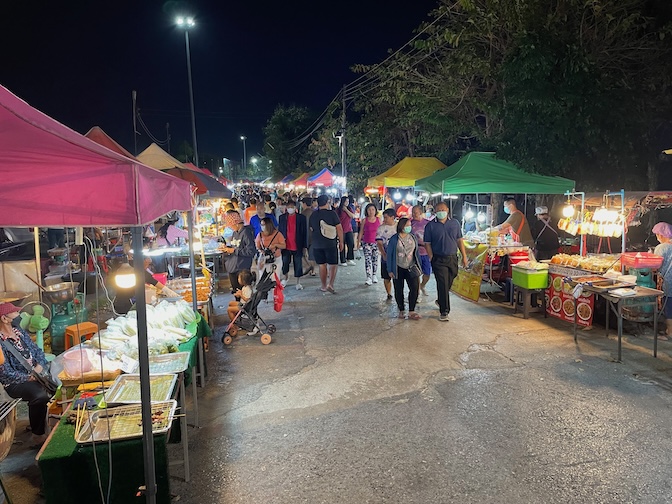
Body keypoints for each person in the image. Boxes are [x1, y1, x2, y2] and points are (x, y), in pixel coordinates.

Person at [0, 302, 51, 448]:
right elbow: (6, 374)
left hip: (35, 375)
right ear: (5, 319)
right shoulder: (1, 342)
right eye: (15, 313)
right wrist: (30, 377)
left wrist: (40, 366)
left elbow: (37, 352)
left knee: (56, 384)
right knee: (40, 395)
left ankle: (42, 422)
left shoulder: (19, 332)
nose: (19, 316)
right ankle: (38, 435)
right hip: (15, 383)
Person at [424, 202, 468, 321]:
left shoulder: (454, 223)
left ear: (447, 210)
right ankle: (444, 311)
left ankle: (440, 300)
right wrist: (431, 256)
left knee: (450, 279)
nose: (441, 212)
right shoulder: (430, 226)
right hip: (438, 258)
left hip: (452, 257)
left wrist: (464, 256)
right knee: (442, 283)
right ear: (435, 211)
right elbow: (427, 243)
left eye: (443, 209)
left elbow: (459, 240)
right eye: (438, 210)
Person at [387, 218, 422, 320]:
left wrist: (419, 266)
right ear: (401, 226)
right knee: (399, 289)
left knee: (414, 289)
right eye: (407, 225)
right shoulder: (394, 239)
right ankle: (401, 310)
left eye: (409, 225)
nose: (409, 227)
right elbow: (390, 255)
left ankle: (412, 310)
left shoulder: (412, 237)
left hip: (411, 266)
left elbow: (416, 252)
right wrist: (390, 269)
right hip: (398, 267)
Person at [309, 194, 343, 294]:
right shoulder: (332, 214)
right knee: (333, 265)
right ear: (327, 202)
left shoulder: (313, 215)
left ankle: (323, 286)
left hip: (317, 244)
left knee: (322, 265)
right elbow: (339, 228)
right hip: (330, 243)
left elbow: (311, 228)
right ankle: (330, 284)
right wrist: (341, 241)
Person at [223, 210, 256, 292]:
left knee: (243, 293)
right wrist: (227, 248)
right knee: (236, 291)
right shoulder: (235, 233)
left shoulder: (246, 233)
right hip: (233, 267)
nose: (231, 228)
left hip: (241, 268)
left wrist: (234, 250)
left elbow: (251, 251)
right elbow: (235, 246)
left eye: (231, 225)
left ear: (237, 223)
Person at [278, 200, 308, 290]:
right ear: (286, 208)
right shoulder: (282, 218)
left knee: (298, 264)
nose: (290, 209)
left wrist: (305, 246)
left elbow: (304, 232)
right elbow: (280, 231)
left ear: (295, 208)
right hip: (285, 246)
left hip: (297, 245)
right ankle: (285, 278)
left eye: (292, 207)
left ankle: (298, 282)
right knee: (285, 263)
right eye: (289, 207)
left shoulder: (301, 218)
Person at [653, 222, 672, 337]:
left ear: (661, 235)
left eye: (657, 235)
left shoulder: (661, 248)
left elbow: (655, 266)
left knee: (669, 306)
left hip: (669, 281)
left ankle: (670, 332)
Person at [376, 208, 398, 301]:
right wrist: (383, 253)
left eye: (386, 217)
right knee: (386, 276)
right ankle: (389, 293)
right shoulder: (381, 228)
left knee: (397, 276)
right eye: (383, 218)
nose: (384, 220)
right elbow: (379, 243)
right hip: (386, 255)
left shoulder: (399, 226)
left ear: (392, 217)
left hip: (398, 256)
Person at [411, 204, 432, 297]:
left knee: (427, 274)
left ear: (420, 212)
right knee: (416, 274)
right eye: (412, 212)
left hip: (426, 252)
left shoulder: (428, 223)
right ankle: (417, 292)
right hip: (415, 252)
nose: (414, 214)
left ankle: (422, 286)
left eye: (416, 212)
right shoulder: (410, 224)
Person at [358, 203, 381, 285]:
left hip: (376, 243)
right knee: (368, 260)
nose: (371, 212)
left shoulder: (379, 220)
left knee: (375, 260)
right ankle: (368, 277)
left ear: (375, 211)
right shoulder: (364, 220)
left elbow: (381, 232)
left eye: (372, 210)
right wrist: (358, 242)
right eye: (369, 210)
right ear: (366, 211)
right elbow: (361, 231)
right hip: (366, 242)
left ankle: (374, 275)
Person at [337, 196, 357, 266]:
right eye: (346, 201)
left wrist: (346, 210)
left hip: (349, 229)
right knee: (342, 244)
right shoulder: (338, 210)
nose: (347, 203)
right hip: (341, 229)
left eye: (348, 202)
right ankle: (343, 260)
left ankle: (350, 258)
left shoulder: (349, 208)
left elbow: (352, 216)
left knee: (351, 244)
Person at [301, 197, 318, 277]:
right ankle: (313, 271)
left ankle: (307, 266)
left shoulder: (302, 214)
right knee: (312, 255)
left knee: (301, 254)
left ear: (304, 204)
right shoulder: (315, 213)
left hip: (304, 236)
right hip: (314, 236)